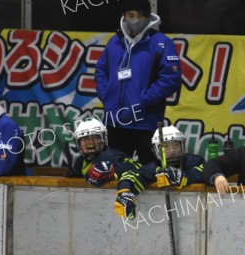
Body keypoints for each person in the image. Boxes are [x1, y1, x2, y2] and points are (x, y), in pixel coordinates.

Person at [95, 0, 181, 164]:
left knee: (151, 173)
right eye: (131, 15)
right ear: (124, 17)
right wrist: (107, 96)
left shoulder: (161, 42)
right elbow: (101, 70)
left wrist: (144, 101)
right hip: (116, 122)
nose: (136, 20)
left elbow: (171, 78)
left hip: (146, 122)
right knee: (115, 174)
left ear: (149, 17)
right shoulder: (115, 42)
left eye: (141, 15)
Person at [114, 125, 205, 220]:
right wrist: (124, 191)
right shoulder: (155, 167)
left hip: (196, 213)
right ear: (156, 150)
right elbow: (131, 176)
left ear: (182, 145)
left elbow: (206, 171)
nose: (172, 150)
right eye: (166, 146)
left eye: (176, 145)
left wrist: (184, 177)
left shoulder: (194, 161)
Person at [69, 117, 142, 186]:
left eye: (95, 138)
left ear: (103, 139)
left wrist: (114, 170)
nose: (90, 142)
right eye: (85, 139)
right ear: (78, 143)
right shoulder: (79, 162)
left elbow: (137, 166)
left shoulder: (111, 155)